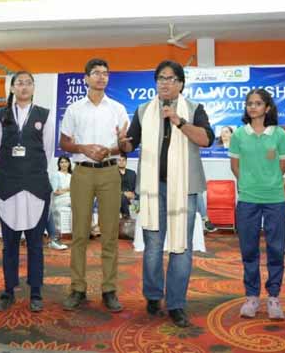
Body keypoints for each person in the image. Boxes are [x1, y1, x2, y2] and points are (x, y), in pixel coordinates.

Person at [119, 60, 214, 328]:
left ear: (181, 84)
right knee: (153, 246)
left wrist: (178, 120)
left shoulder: (194, 109)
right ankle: (152, 295)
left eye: (171, 78)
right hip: (153, 189)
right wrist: (122, 143)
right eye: (161, 78)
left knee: (181, 247)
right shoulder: (143, 110)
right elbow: (130, 145)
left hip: (184, 188)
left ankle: (176, 304)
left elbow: (206, 139)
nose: (165, 83)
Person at [59, 58, 129, 313]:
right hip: (82, 173)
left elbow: (126, 145)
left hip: (110, 172)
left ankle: (109, 290)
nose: (101, 77)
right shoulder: (74, 109)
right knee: (80, 233)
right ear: (86, 78)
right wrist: (83, 148)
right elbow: (64, 143)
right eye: (96, 73)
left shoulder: (118, 109)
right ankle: (78, 288)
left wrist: (114, 147)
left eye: (105, 73)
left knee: (110, 234)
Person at [0, 71, 55, 312]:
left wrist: (29, 169)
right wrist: (13, 170)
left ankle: (36, 291)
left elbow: (47, 151)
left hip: (35, 186)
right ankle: (8, 290)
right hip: (8, 186)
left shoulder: (44, 115)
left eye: (28, 83)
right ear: (12, 88)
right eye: (19, 83)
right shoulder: (1, 116)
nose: (24, 87)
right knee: (10, 242)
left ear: (34, 88)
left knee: (36, 243)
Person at [229, 89, 285, 320]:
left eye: (258, 103)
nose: (253, 107)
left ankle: (274, 296)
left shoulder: (279, 134)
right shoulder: (238, 135)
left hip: (275, 199)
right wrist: (248, 183)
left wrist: (269, 182)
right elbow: (235, 166)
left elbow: (282, 166)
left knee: (276, 249)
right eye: (249, 103)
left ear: (267, 107)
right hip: (247, 199)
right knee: (249, 250)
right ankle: (252, 296)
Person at [48, 155, 72, 250]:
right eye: (61, 162)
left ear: (69, 163)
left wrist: (67, 190)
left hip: (71, 198)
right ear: (58, 164)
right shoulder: (56, 175)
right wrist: (68, 189)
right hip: (60, 199)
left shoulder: (71, 176)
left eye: (66, 162)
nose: (64, 164)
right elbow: (56, 192)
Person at [118, 152, 137, 219]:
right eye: (119, 160)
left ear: (126, 161)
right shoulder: (112, 174)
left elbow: (136, 188)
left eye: (123, 160)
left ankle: (126, 217)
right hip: (117, 198)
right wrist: (124, 193)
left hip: (131, 199)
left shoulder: (132, 173)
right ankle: (127, 217)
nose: (121, 162)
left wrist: (134, 195)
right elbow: (111, 189)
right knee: (122, 197)